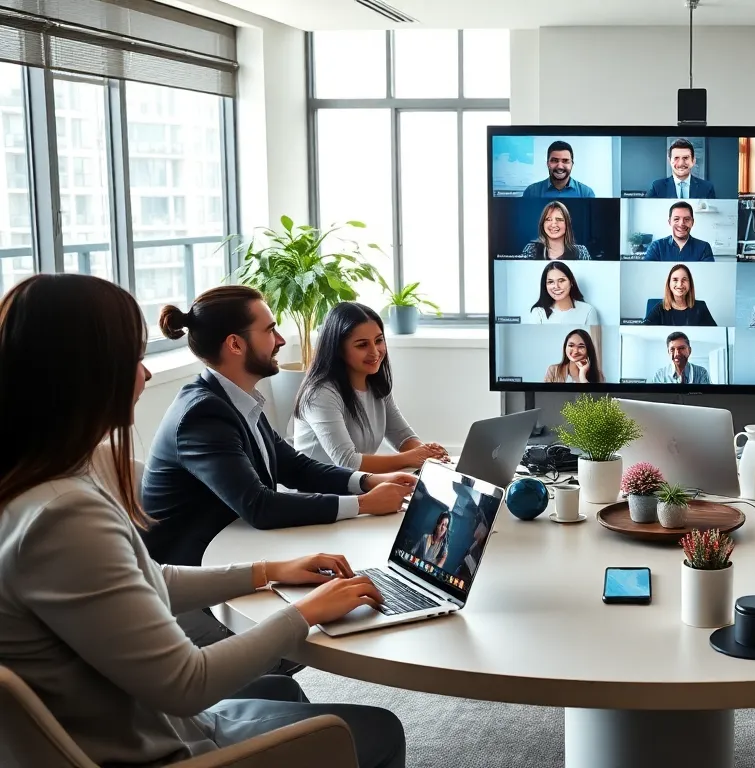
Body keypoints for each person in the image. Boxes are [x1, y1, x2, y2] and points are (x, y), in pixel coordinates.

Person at [0, 274, 405, 768]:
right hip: (163, 744)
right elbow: (186, 684)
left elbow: (149, 579)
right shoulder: (63, 517)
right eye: (134, 359)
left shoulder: (43, 485)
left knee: (280, 689)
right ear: (85, 373)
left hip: (147, 718)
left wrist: (267, 572)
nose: (146, 375)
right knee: (379, 729)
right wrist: (305, 612)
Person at [141, 285, 418, 570]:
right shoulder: (202, 415)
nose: (281, 340)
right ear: (235, 345)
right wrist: (364, 504)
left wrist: (368, 482)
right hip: (194, 573)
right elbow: (259, 506)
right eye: (270, 330)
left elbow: (297, 467)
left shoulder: (235, 399)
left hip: (239, 548)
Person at [293, 302, 449, 472]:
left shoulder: (376, 384)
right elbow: (348, 462)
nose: (375, 352)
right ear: (338, 349)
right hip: (319, 494)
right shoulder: (320, 394)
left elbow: (403, 438)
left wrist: (427, 454)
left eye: (379, 340)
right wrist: (412, 457)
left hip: (356, 487)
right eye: (362, 345)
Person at [643, 263, 717, 326]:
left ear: (690, 283)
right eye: (675, 280)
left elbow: (715, 334)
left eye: (684, 280)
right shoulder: (659, 308)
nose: (680, 284)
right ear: (669, 284)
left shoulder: (701, 307)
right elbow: (643, 330)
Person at [528, 261, 598, 324]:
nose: (556, 286)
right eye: (551, 282)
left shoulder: (588, 311)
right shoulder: (538, 313)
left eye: (561, 280)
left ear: (571, 282)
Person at [642, 201, 715, 262]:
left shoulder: (704, 247)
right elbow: (648, 274)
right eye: (676, 219)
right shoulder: (656, 247)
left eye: (686, 219)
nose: (681, 224)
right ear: (670, 222)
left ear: (692, 222)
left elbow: (707, 276)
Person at [646, 138, 718, 198]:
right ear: (669, 161)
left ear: (693, 161)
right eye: (676, 158)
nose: (681, 163)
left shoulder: (707, 188)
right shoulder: (657, 187)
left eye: (686, 158)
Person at [519, 201, 592, 260]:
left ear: (567, 224)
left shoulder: (581, 251)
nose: (553, 225)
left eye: (559, 219)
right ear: (542, 224)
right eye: (548, 219)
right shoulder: (531, 249)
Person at [522, 140, 595, 198]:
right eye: (554, 160)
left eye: (565, 161)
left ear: (572, 164)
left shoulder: (586, 193)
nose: (560, 166)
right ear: (548, 163)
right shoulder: (531, 192)